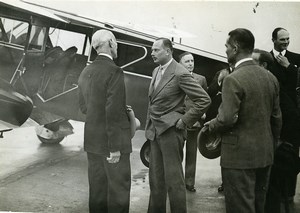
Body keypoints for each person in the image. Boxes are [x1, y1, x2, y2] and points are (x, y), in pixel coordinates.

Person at [205, 28, 282, 213]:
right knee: (258, 206)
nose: (225, 50)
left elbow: (226, 119)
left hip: (239, 158)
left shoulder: (233, 79)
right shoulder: (271, 78)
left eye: (226, 46)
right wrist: (271, 144)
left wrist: (210, 126)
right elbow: (277, 118)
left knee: (240, 208)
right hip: (265, 155)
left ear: (235, 48)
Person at [145, 38, 211, 213]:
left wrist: (184, 120)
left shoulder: (180, 73)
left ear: (168, 51)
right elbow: (152, 103)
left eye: (156, 50)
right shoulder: (155, 71)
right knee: (156, 180)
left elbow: (204, 100)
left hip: (171, 132)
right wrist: (148, 127)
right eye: (151, 50)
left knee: (174, 181)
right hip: (155, 131)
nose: (152, 53)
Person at [78, 29, 132, 213]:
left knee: (97, 193)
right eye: (115, 42)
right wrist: (114, 146)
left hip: (92, 143)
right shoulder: (115, 71)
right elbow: (114, 112)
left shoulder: (86, 71)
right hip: (112, 145)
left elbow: (83, 107)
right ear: (109, 43)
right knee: (118, 194)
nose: (117, 46)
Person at [269, 27, 300, 203]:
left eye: (288, 39)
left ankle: (289, 193)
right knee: (274, 154)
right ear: (273, 40)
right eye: (282, 40)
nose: (286, 42)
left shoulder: (296, 58)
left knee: (291, 156)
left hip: (293, 118)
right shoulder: (266, 59)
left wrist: (289, 67)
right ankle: (274, 193)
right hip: (273, 115)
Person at [178, 51, 208, 192]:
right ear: (180, 64)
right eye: (187, 61)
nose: (190, 64)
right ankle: (176, 180)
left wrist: (202, 113)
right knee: (177, 152)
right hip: (178, 121)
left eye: (192, 61)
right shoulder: (175, 77)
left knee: (191, 152)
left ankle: (189, 182)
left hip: (194, 121)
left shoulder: (201, 79)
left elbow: (204, 99)